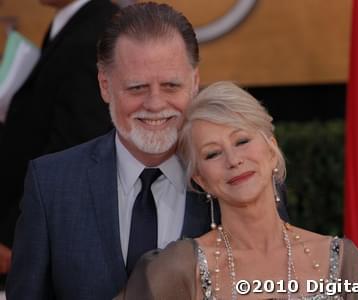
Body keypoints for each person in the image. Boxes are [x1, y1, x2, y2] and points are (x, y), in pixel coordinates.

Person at [6, 3, 289, 299]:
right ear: (105, 85)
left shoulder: (242, 177)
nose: (155, 104)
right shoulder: (52, 184)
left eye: (170, 85)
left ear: (194, 82)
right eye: (137, 87)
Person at [116, 81, 358, 300]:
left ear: (271, 149)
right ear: (200, 179)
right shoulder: (178, 268)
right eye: (213, 153)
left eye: (242, 141)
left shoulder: (342, 261)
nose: (233, 160)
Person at [0, 0, 117, 280]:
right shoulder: (70, 22)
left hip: (38, 236)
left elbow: (74, 149)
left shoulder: (94, 33)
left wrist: (14, 233)